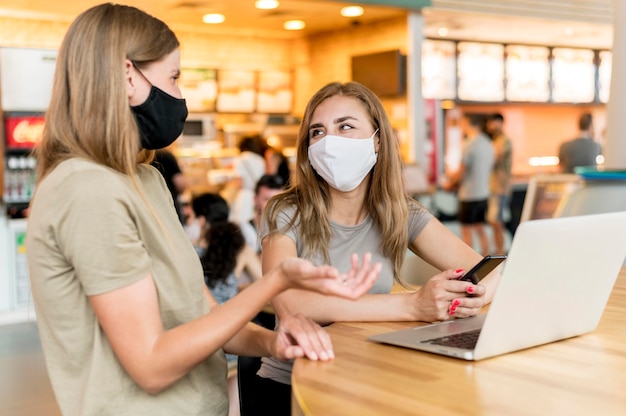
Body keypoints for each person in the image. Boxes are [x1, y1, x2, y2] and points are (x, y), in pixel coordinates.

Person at [24, 5, 380, 416]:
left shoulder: (146, 180)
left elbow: (205, 314)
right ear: (126, 77)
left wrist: (273, 342)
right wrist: (275, 281)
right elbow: (152, 365)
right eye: (173, 77)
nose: (179, 95)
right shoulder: (86, 189)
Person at [255, 82, 501, 414]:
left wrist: (466, 297)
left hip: (371, 374)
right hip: (294, 385)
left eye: (345, 126)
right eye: (318, 132)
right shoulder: (285, 210)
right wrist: (413, 306)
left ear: (378, 140)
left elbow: (490, 272)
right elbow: (291, 304)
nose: (329, 142)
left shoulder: (399, 211)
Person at [445, 113, 495, 255]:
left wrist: (449, 184)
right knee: (480, 228)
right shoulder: (488, 143)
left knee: (466, 230)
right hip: (484, 193)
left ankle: (471, 263)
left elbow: (461, 172)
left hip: (469, 194)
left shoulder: (469, 144)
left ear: (470, 124)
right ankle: (487, 257)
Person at [486, 113, 513, 254]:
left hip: (501, 188)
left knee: (497, 222)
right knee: (494, 222)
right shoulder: (496, 140)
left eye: (492, 122)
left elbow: (494, 158)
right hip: (494, 187)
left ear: (499, 122)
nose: (489, 126)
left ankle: (500, 254)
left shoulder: (504, 141)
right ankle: (499, 252)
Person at [240, 174, 286, 253]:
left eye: (278, 200)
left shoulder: (289, 230)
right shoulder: (244, 232)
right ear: (255, 200)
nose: (273, 205)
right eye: (267, 199)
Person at [152, 148, 187, 223]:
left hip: (148, 209)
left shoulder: (138, 158)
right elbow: (180, 184)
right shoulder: (166, 155)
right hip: (169, 207)